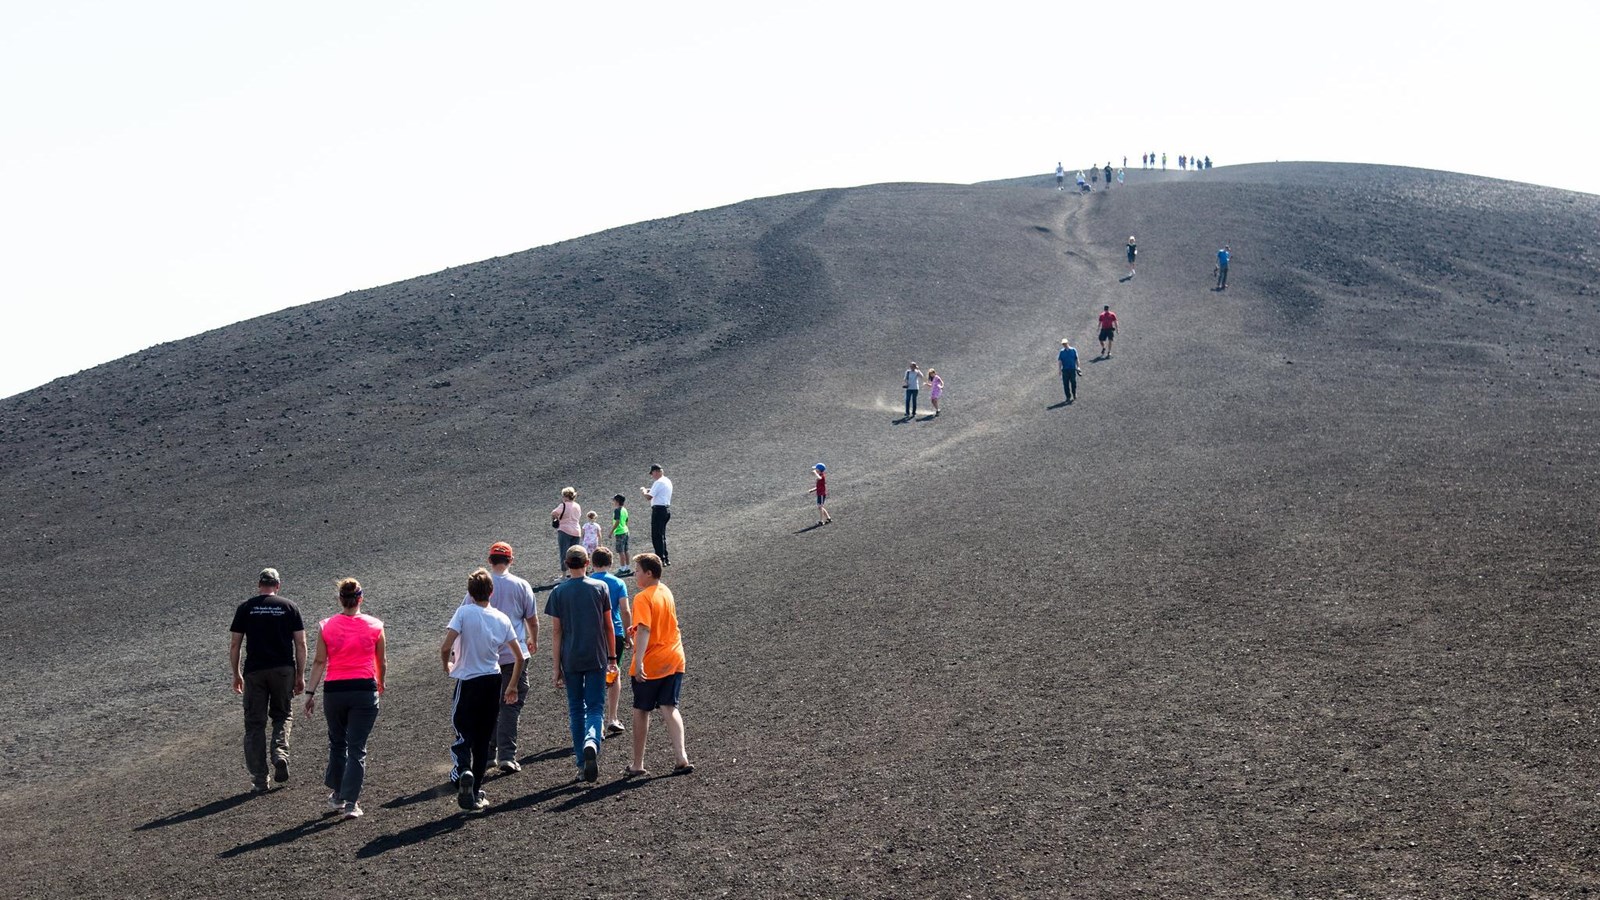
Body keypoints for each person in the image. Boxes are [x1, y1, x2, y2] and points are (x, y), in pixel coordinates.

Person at [449, 542, 539, 782]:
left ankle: (488, 754)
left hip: (485, 659)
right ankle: (507, 755)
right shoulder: (522, 585)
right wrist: (533, 640)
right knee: (511, 704)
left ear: (490, 560)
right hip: (514, 654)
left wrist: (454, 655)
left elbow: (460, 620)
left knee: (488, 707)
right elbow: (532, 619)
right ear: (511, 560)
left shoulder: (477, 587)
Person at [442, 568, 525, 811]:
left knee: (462, 732)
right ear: (491, 591)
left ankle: (462, 772)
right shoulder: (501, 618)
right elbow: (518, 658)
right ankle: (475, 792)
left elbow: (445, 646)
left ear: (470, 592)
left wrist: (447, 666)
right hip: (493, 680)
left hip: (468, 682)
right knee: (482, 739)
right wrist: (511, 686)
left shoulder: (463, 613)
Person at [303, 578, 385, 819]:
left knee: (338, 743)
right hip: (363, 689)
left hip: (335, 691)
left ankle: (339, 795)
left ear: (340, 599)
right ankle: (351, 802)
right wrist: (380, 683)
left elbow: (319, 662)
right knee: (357, 747)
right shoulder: (375, 625)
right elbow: (381, 661)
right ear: (360, 598)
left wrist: (309, 693)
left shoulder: (326, 626)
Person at [230, 567, 306, 793]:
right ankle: (280, 753)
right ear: (278, 585)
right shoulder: (289, 607)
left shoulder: (246, 608)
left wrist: (236, 673)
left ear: (259, 584)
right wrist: (300, 675)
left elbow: (235, 644)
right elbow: (300, 644)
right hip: (283, 670)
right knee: (282, 714)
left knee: (254, 724)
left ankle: (260, 780)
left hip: (255, 672)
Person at [546, 546, 617, 783]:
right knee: (595, 707)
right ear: (587, 562)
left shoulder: (558, 592)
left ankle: (580, 763)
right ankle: (591, 742)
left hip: (571, 657)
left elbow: (557, 632)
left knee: (576, 709)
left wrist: (556, 667)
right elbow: (608, 626)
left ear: (567, 564)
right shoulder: (600, 588)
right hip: (596, 655)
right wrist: (612, 657)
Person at [623, 553, 692, 777]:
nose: (635, 574)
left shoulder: (643, 597)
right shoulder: (666, 591)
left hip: (653, 661)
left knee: (641, 710)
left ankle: (637, 763)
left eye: (638, 570)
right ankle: (681, 757)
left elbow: (644, 629)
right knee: (669, 707)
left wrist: (639, 660)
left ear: (649, 573)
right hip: (674, 657)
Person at [589, 547, 633, 737]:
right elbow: (625, 610)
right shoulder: (618, 582)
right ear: (611, 563)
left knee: (593, 673)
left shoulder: (588, 582)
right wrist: (629, 634)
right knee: (614, 671)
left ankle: (595, 720)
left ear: (592, 563)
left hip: (592, 633)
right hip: (615, 631)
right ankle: (612, 718)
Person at [640, 465, 673, 566]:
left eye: (652, 473)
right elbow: (657, 492)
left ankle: (660, 559)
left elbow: (648, 497)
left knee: (656, 536)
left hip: (658, 510)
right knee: (661, 535)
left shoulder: (658, 482)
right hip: (665, 510)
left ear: (657, 471)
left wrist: (643, 491)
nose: (652, 475)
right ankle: (665, 558)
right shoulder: (667, 481)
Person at [551, 487, 582, 573]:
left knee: (564, 552)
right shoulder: (577, 506)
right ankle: (575, 573)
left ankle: (564, 574)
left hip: (564, 530)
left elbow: (554, 513)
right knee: (575, 554)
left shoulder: (563, 505)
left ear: (565, 496)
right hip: (576, 530)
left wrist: (556, 519)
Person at [611, 494, 633, 576]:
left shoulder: (617, 510)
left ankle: (622, 568)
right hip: (626, 531)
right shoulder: (624, 509)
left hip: (620, 532)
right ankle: (627, 567)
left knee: (621, 551)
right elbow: (627, 520)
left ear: (617, 501)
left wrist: (611, 532)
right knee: (626, 550)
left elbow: (617, 521)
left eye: (614, 500)